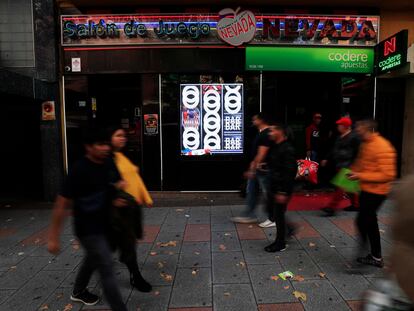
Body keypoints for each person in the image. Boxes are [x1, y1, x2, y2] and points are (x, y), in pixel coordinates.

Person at [47, 128, 128, 311]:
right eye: (100, 145)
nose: (105, 148)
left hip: (107, 223)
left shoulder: (108, 162)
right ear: (88, 147)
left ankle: (78, 291)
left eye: (106, 144)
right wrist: (53, 236)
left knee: (93, 258)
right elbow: (61, 203)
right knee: (106, 266)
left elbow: (114, 183)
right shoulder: (78, 170)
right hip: (88, 228)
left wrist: (117, 195)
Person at [348, 119, 396, 268]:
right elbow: (361, 163)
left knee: (364, 221)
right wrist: (353, 172)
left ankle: (372, 253)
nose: (356, 130)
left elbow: (388, 175)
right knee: (367, 221)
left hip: (377, 192)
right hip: (366, 189)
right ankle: (374, 255)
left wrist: (360, 176)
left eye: (359, 128)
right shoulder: (365, 143)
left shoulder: (382, 146)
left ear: (368, 129)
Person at [109, 127, 153, 292]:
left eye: (123, 135)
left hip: (130, 208)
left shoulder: (120, 156)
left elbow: (134, 177)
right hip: (119, 209)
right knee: (126, 243)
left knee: (121, 243)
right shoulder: (108, 159)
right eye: (118, 135)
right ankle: (136, 276)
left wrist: (146, 196)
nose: (123, 138)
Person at [232, 113, 275, 227]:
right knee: (252, 192)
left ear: (261, 120)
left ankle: (273, 218)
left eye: (255, 119)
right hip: (258, 168)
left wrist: (252, 169)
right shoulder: (261, 133)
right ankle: (249, 215)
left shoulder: (265, 134)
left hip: (263, 169)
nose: (253, 121)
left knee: (267, 194)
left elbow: (261, 153)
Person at [265, 124, 297, 252]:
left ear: (280, 131)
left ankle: (280, 243)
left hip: (281, 188)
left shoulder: (287, 148)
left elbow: (290, 171)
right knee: (275, 213)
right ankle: (288, 230)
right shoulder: (276, 146)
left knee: (278, 215)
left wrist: (283, 191)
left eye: (272, 130)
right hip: (274, 186)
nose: (270, 132)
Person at [321, 117, 361, 216]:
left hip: (349, 165)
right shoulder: (340, 136)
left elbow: (359, 152)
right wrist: (326, 158)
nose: (338, 127)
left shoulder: (354, 137)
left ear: (345, 126)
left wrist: (355, 165)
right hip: (340, 164)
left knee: (341, 186)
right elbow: (333, 149)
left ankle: (331, 207)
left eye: (340, 125)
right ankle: (356, 205)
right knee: (349, 186)